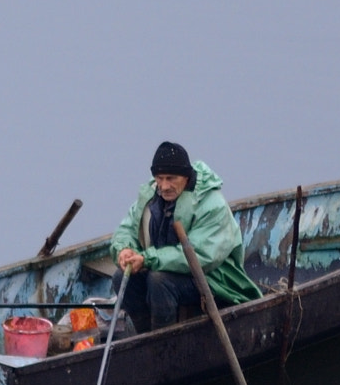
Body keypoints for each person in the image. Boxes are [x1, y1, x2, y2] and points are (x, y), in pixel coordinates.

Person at [111, 141, 262, 333]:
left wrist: (148, 259)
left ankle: (163, 343)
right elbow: (126, 229)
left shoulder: (211, 204)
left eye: (171, 178)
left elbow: (202, 257)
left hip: (212, 277)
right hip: (160, 266)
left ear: (186, 176)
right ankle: (144, 335)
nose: (164, 186)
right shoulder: (151, 194)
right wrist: (124, 249)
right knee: (120, 277)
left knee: (159, 281)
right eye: (159, 178)